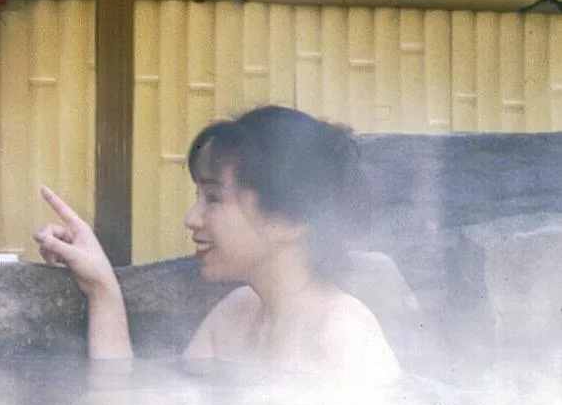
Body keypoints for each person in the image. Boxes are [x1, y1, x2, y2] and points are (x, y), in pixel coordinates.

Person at [36, 105, 400, 381]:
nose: (191, 218)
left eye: (212, 198)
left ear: (287, 221)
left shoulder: (341, 334)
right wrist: (101, 288)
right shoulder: (234, 315)